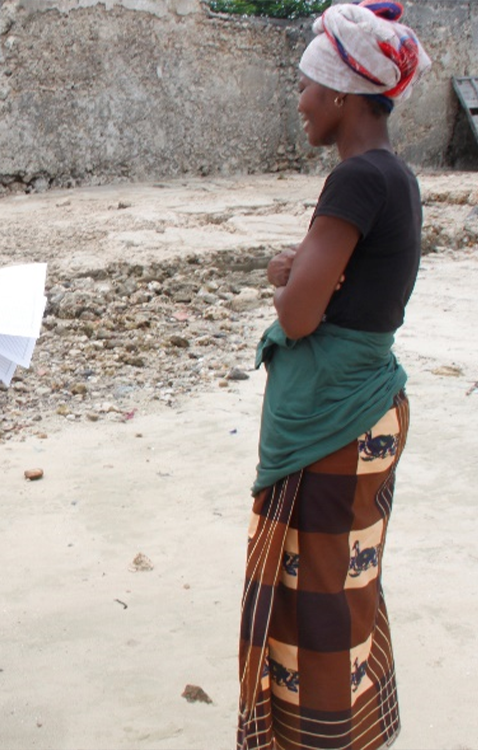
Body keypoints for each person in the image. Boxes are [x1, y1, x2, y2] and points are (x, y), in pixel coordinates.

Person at [236, 4, 431, 749]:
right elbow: (348, 292)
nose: (301, 103)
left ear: (344, 95)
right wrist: (299, 274)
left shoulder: (355, 181)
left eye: (308, 88)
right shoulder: (397, 177)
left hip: (333, 425)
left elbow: (300, 316)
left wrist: (284, 279)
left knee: (311, 605)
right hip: (368, 410)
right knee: (346, 590)